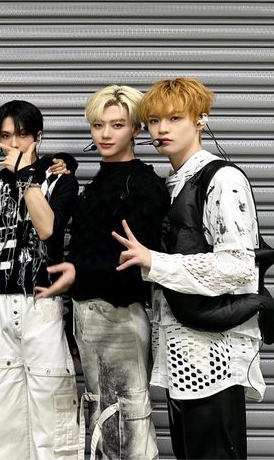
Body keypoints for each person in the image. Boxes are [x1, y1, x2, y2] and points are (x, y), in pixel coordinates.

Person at [112, 77, 266, 459]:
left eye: (174, 118)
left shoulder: (222, 179)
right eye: (153, 121)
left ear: (201, 119)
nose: (161, 129)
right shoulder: (173, 183)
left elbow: (239, 267)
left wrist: (155, 261)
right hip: (181, 349)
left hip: (213, 351)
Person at [35, 85, 168, 459]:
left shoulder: (145, 184)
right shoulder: (97, 183)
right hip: (86, 317)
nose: (106, 134)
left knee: (128, 423)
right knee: (102, 420)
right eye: (98, 125)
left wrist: (79, 273)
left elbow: (135, 265)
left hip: (121, 317)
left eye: (117, 125)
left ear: (136, 129)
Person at [0, 99, 80, 459]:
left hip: (42, 304)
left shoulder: (60, 179)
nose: (14, 144)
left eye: (21, 135)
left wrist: (26, 175)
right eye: (5, 136)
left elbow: (47, 229)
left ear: (38, 136)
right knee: (4, 415)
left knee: (52, 413)